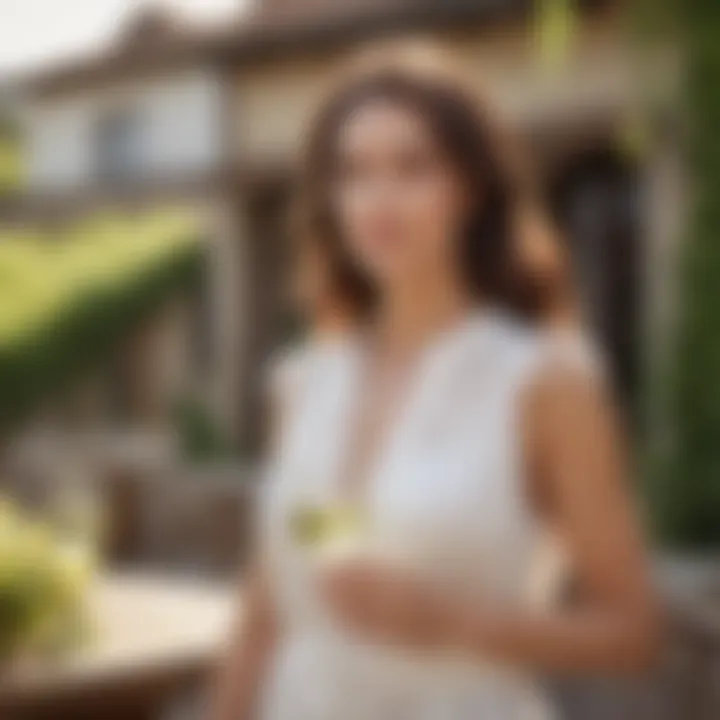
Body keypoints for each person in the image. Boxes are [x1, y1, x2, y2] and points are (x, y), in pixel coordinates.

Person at [208, 44, 661, 720]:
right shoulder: (305, 382)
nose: (378, 198)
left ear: (470, 190)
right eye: (354, 172)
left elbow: (633, 632)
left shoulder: (543, 379)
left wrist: (452, 622)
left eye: (412, 166)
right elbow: (270, 610)